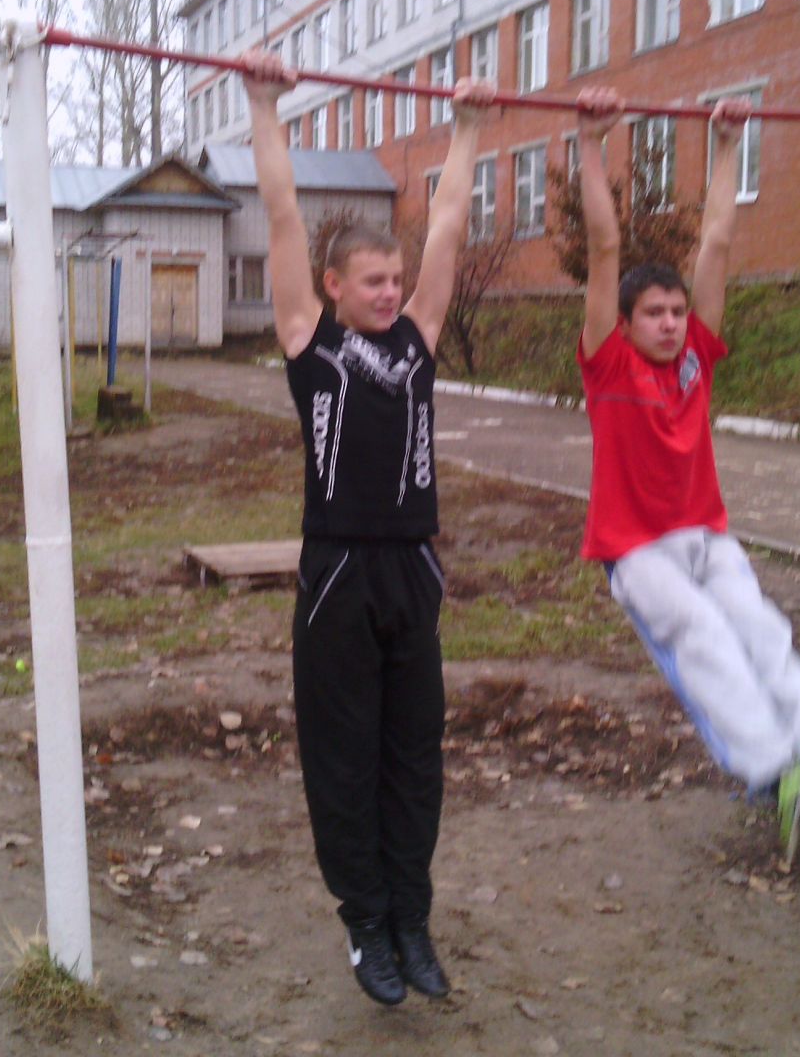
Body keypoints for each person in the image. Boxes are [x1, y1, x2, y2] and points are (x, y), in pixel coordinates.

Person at [241, 49, 496, 1006]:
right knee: (344, 760)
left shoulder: (419, 341)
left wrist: (467, 128)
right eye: (374, 281)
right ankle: (365, 924)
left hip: (412, 574)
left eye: (396, 278)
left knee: (414, 760)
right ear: (335, 286)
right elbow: (280, 213)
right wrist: (265, 105)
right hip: (340, 576)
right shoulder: (310, 343)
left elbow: (452, 223)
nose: (391, 292)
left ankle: (411, 922)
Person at [572, 87, 800, 864]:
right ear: (626, 323)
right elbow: (602, 246)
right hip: (637, 550)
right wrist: (592, 143)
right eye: (653, 313)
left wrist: (728, 145)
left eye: (675, 310)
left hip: (705, 534)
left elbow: (719, 243)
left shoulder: (697, 354)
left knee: (761, 628)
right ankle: (773, 774)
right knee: (706, 642)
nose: (669, 322)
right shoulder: (609, 365)